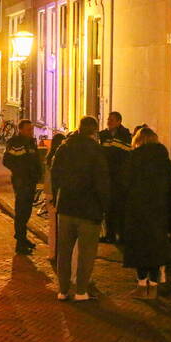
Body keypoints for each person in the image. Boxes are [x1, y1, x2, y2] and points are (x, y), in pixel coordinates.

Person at [50, 116, 109, 302]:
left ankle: (62, 290)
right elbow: (102, 181)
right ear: (94, 131)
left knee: (64, 251)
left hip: (66, 207)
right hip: (89, 210)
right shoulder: (96, 151)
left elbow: (54, 173)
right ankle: (81, 291)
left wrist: (56, 196)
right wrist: (106, 206)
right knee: (87, 252)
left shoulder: (64, 147)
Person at [121, 127, 171, 300]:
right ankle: (155, 286)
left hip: (138, 208)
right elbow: (169, 186)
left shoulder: (134, 157)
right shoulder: (163, 158)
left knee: (140, 245)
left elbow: (125, 183)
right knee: (156, 246)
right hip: (159, 208)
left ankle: (142, 285)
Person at [3, 119, 42, 255]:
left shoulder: (31, 142)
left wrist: (37, 176)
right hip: (21, 182)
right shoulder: (15, 143)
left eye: (32, 129)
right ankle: (20, 242)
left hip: (30, 182)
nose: (31, 132)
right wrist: (20, 172)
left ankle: (22, 238)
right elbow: (7, 161)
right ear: (20, 130)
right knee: (21, 212)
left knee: (26, 212)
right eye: (28, 130)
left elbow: (35, 160)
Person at [99, 111, 132, 244]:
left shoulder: (126, 136)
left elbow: (124, 156)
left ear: (119, 121)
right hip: (107, 177)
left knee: (120, 208)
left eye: (112, 120)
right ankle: (110, 234)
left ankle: (122, 236)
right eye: (108, 119)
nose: (108, 121)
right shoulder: (103, 135)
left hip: (120, 178)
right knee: (108, 208)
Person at [43, 132, 66, 261]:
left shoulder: (49, 157)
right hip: (54, 194)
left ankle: (52, 252)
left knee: (52, 226)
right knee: (57, 226)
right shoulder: (57, 158)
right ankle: (55, 254)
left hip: (49, 193)